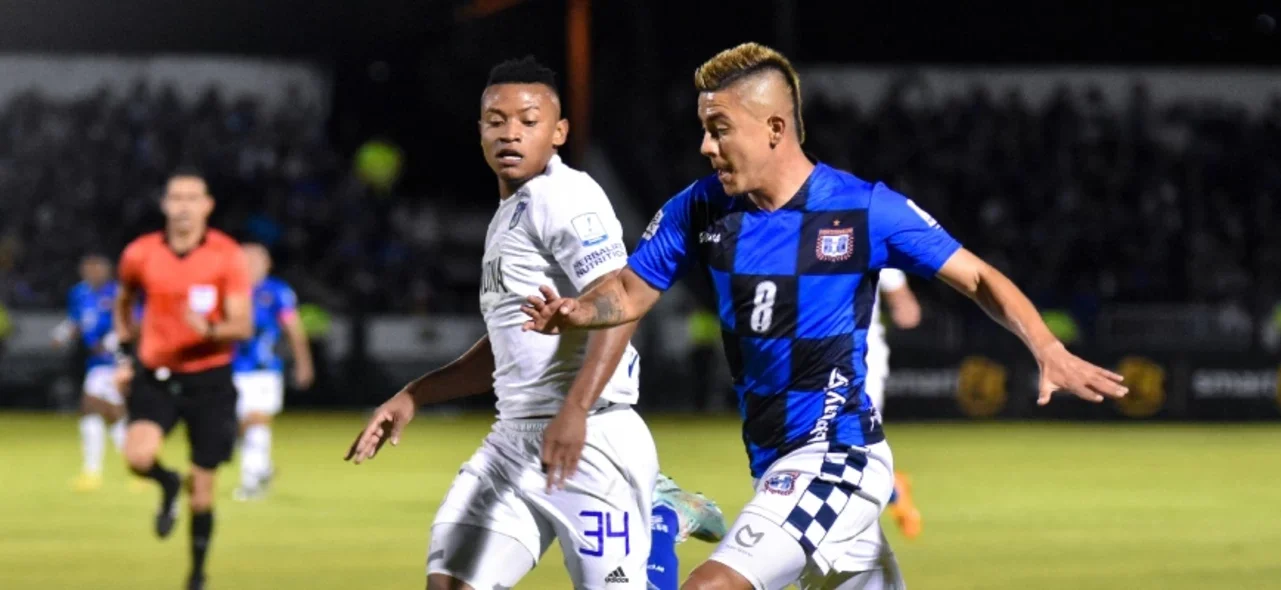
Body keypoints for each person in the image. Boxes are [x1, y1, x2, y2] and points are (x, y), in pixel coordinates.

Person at [520, 42, 1128, 590]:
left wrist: (1046, 347)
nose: (706, 146)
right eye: (704, 129)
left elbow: (977, 277)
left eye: (719, 129)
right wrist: (577, 310)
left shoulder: (863, 210)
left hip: (838, 456)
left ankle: (661, 527)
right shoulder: (699, 208)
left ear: (775, 129)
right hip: (774, 465)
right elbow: (627, 293)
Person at [344, 57, 724, 590]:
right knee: (450, 581)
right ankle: (657, 517)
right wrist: (415, 395)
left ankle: (662, 523)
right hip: (514, 440)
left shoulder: (565, 197)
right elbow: (508, 344)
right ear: (479, 131)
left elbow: (621, 301)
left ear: (559, 132)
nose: (510, 133)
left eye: (528, 120)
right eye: (496, 120)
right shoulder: (509, 214)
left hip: (590, 438)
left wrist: (575, 409)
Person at [113, 170, 253, 590]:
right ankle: (165, 480)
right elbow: (123, 302)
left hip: (209, 381)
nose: (184, 206)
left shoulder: (227, 255)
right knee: (137, 457)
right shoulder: (140, 253)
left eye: (193, 198)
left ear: (208, 205)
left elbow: (243, 325)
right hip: (156, 376)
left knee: (203, 491)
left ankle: (195, 574)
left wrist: (208, 330)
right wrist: (125, 352)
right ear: (165, 205)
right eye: (176, 198)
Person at [231, 243, 314, 501]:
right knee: (237, 426)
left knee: (256, 419)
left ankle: (251, 481)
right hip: (231, 369)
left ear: (267, 264)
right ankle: (262, 469)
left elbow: (294, 329)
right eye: (246, 260)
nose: (251, 265)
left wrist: (304, 362)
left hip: (265, 371)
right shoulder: (230, 289)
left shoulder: (277, 291)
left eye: (256, 260)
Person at [55, 254, 127, 491]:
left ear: (107, 271)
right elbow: (76, 321)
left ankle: (95, 471)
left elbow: (132, 321)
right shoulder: (79, 293)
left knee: (93, 410)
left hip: (113, 362)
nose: (93, 273)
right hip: (94, 363)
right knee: (111, 415)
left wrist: (114, 342)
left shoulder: (117, 293)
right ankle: (134, 467)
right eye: (88, 270)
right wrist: (63, 334)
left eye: (97, 269)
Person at [863, 269, 923, 539]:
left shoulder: (864, 234)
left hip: (863, 359)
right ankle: (893, 489)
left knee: (858, 441)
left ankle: (893, 492)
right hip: (811, 358)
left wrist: (903, 306)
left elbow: (906, 304)